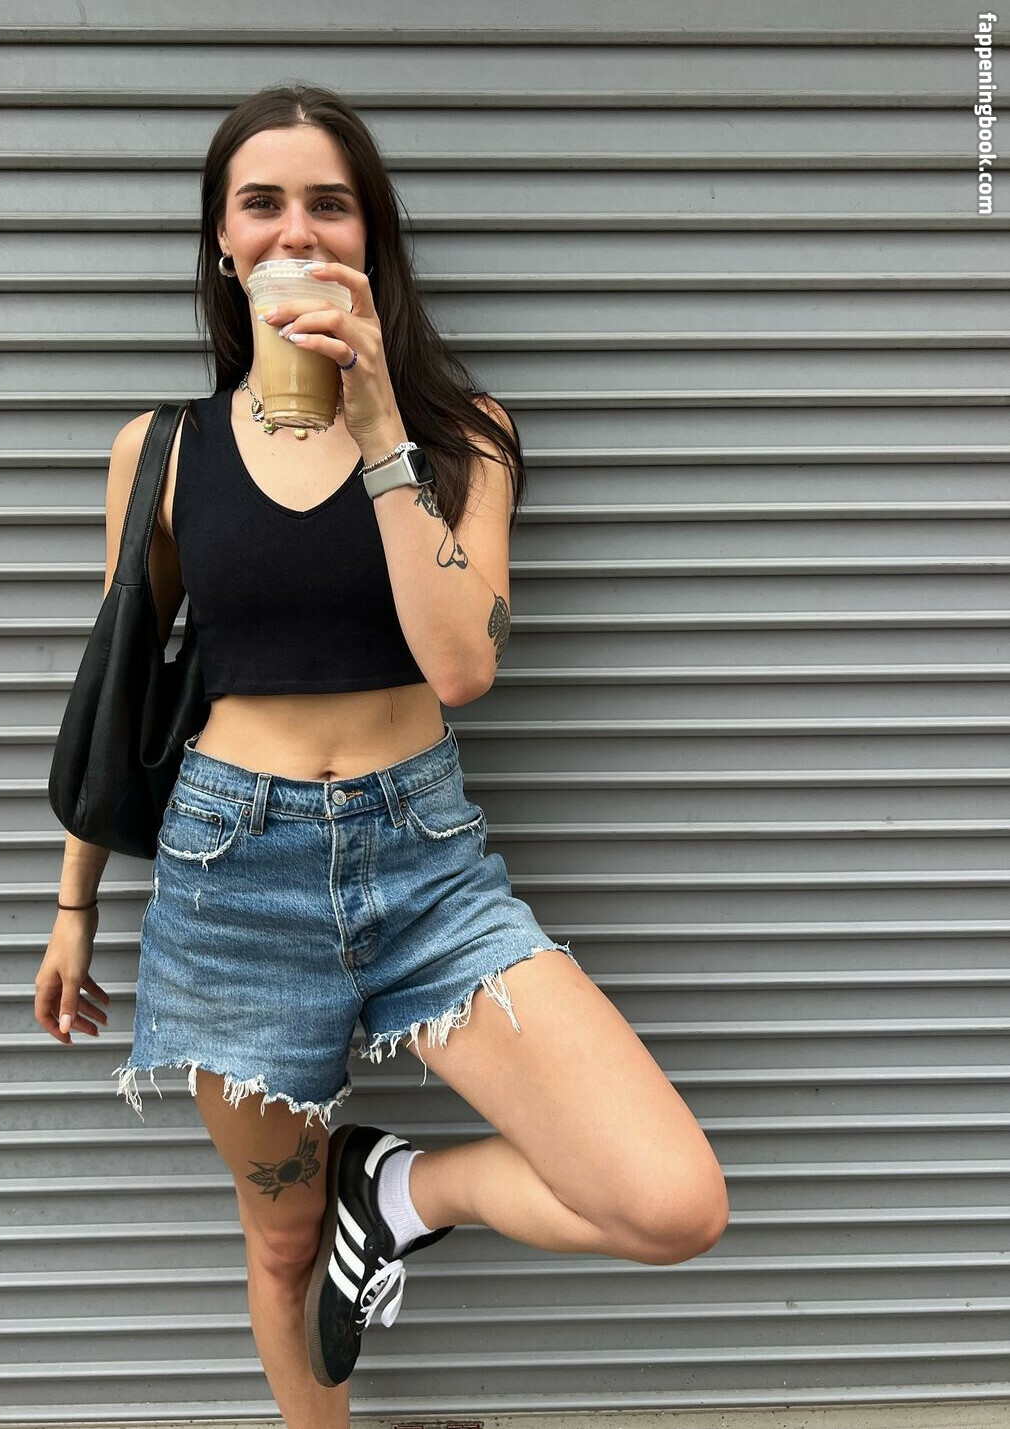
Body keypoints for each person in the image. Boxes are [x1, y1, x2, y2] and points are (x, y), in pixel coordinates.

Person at [35, 82, 729, 1429]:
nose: (296, 231)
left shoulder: (464, 437)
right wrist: (73, 908)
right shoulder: (162, 451)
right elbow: (116, 692)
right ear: (223, 241)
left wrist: (376, 432)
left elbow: (461, 667)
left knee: (669, 1199)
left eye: (330, 204)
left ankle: (401, 1187)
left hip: (424, 866)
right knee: (281, 1244)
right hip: (229, 873)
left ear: (370, 239)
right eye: (262, 203)